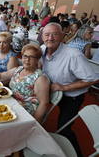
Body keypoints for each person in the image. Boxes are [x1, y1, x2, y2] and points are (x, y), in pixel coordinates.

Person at [41, 23, 99, 157]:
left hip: (71, 97)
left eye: (54, 34)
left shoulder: (73, 55)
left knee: (64, 129)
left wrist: (64, 87)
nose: (50, 38)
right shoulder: (43, 48)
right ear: (42, 36)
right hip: (53, 93)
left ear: (62, 36)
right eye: (46, 34)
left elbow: (92, 79)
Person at [0, 44, 50, 122]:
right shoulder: (19, 69)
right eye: (25, 56)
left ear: (37, 60)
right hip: (10, 103)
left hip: (24, 111)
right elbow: (0, 75)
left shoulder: (40, 78)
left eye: (31, 57)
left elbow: (43, 103)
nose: (27, 60)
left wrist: (34, 123)